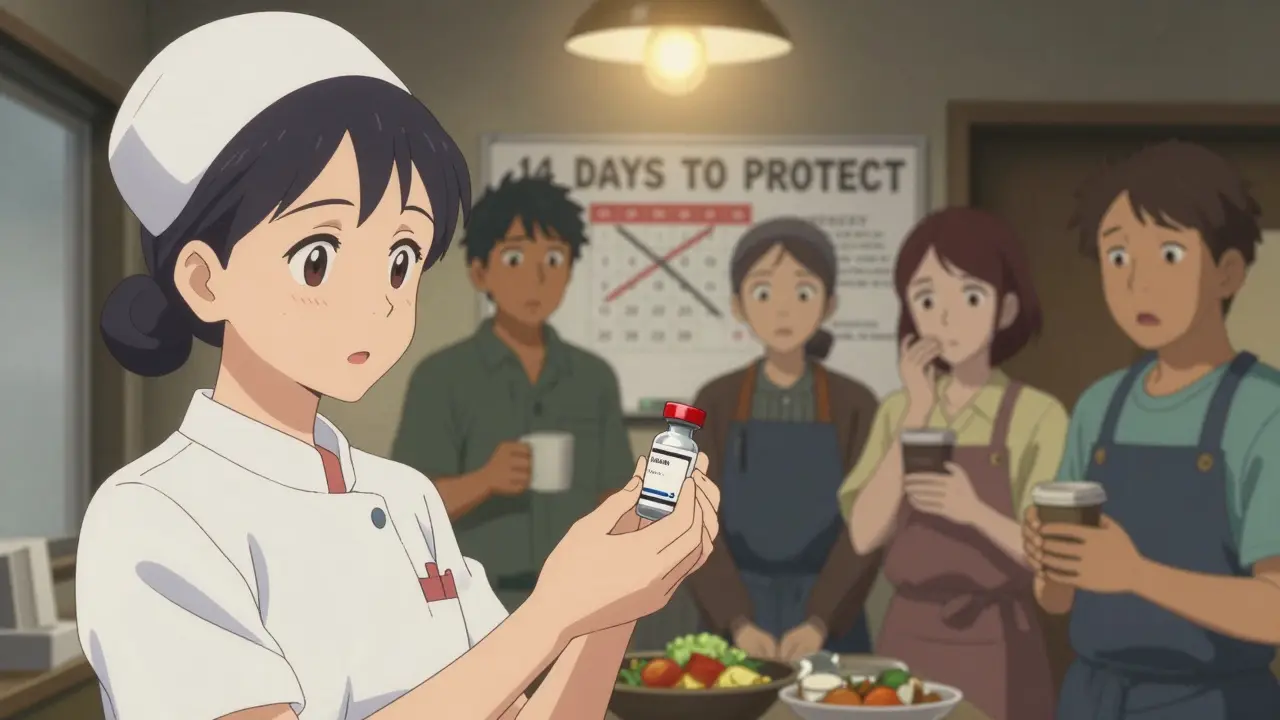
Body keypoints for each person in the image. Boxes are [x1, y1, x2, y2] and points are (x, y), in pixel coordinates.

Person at [78, 13, 720, 720]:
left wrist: (615, 599)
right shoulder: (150, 518)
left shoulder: (407, 501)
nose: (377, 303)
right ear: (206, 279)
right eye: (317, 256)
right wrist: (558, 608)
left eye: (400, 257)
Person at [1022, 141, 1280, 720]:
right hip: (1090, 699)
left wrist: (1135, 574)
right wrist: (1047, 560)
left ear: (1228, 271)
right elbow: (1058, 600)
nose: (1136, 281)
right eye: (1117, 257)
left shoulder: (1265, 411)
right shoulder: (1099, 404)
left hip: (1214, 704)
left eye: (1169, 253)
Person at [839, 208, 1066, 720]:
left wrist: (974, 512)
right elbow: (864, 533)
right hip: (907, 634)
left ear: (1004, 310)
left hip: (999, 638)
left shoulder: (1038, 415)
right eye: (926, 299)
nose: (945, 317)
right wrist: (916, 414)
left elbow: (1050, 555)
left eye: (969, 296)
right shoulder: (898, 409)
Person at [392, 174, 633, 612]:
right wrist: (484, 481)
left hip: (579, 600)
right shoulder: (441, 377)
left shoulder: (594, 378)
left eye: (555, 259)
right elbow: (406, 510)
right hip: (472, 604)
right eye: (516, 258)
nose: (538, 278)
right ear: (480, 272)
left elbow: (613, 497)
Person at [686, 218, 881, 662]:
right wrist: (735, 620)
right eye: (763, 292)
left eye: (803, 292)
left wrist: (820, 621)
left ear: (828, 304)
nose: (784, 310)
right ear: (738, 305)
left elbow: (865, 528)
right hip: (732, 614)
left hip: (831, 615)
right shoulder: (712, 401)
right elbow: (690, 517)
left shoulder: (857, 405)